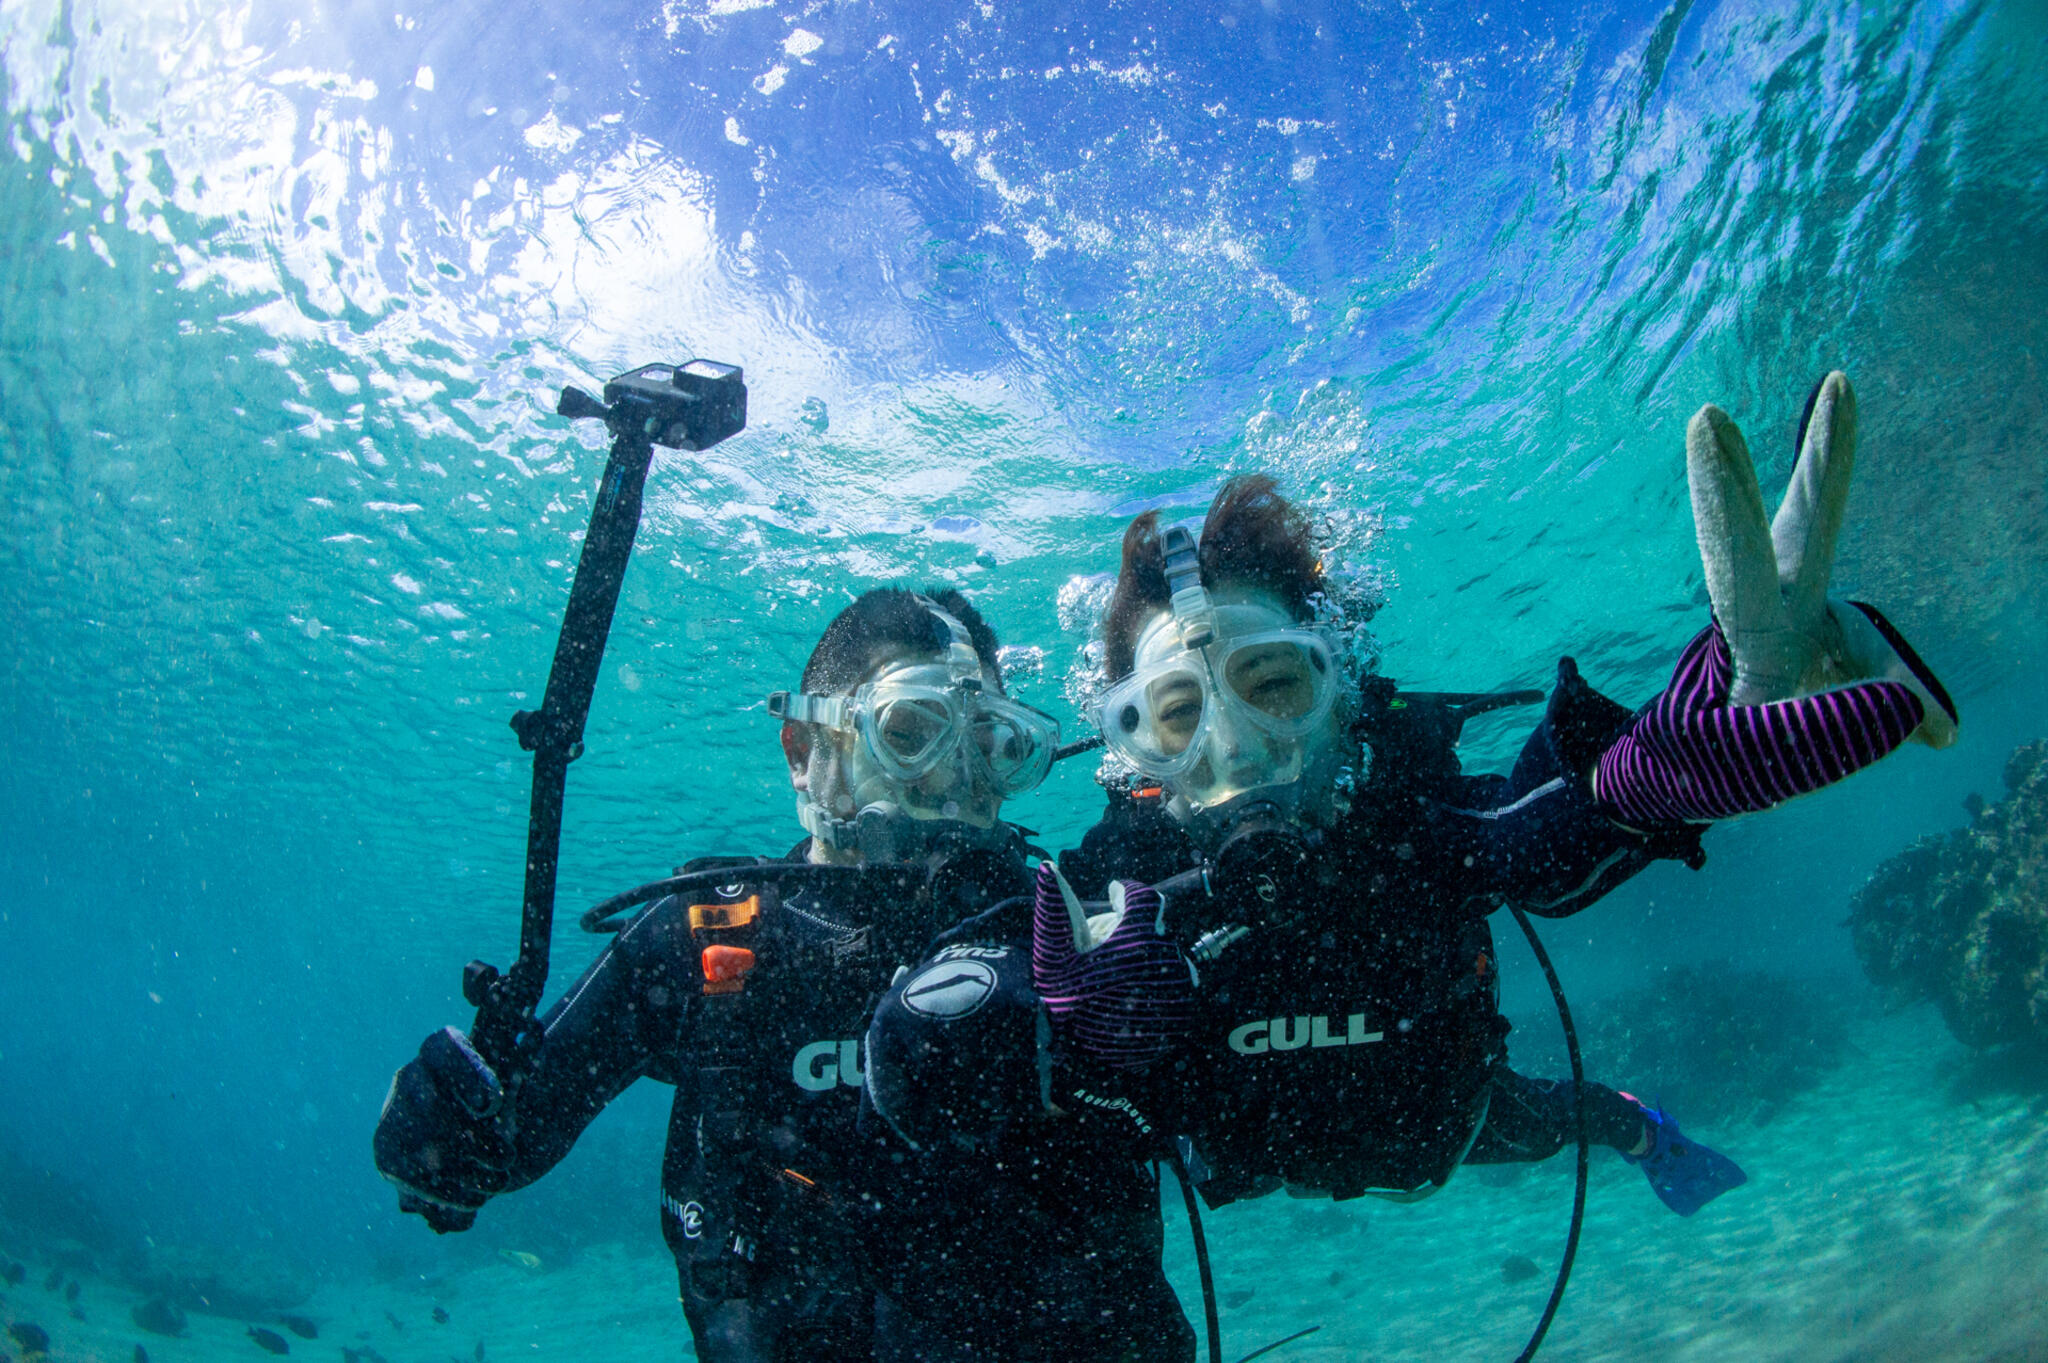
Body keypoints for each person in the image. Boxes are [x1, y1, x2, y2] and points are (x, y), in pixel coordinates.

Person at [869, 374, 1954, 1255]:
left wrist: (1652, 772)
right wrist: (1025, 1024)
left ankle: (1637, 1123)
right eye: (1175, 712)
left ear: (1342, 688)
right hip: (1247, 1157)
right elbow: (974, 993)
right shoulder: (1113, 892)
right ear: (1131, 756)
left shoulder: (1413, 815)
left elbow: (1542, 831)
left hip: (1461, 1121)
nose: (1238, 747)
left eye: (1274, 683)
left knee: (1561, 1118)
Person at [374, 587, 1185, 1361]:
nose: (954, 782)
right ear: (805, 754)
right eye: (912, 732)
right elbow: (505, 1141)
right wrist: (445, 1131)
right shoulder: (707, 945)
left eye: (989, 744)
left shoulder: (1071, 935)